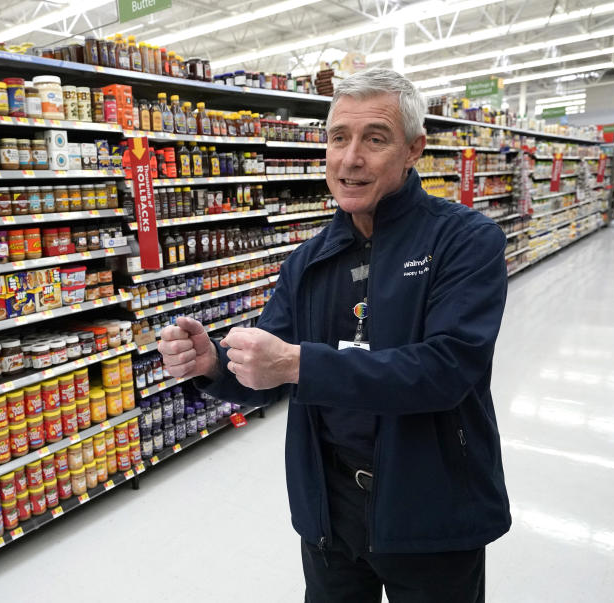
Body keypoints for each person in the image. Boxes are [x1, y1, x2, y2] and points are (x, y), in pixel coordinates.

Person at [157, 68, 510, 602]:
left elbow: (445, 371)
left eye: (375, 138)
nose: (350, 159)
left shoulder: (464, 240)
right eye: (339, 137)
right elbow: (267, 369)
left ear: (414, 149)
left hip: (431, 502)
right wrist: (214, 364)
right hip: (329, 505)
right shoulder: (309, 260)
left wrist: (299, 364)